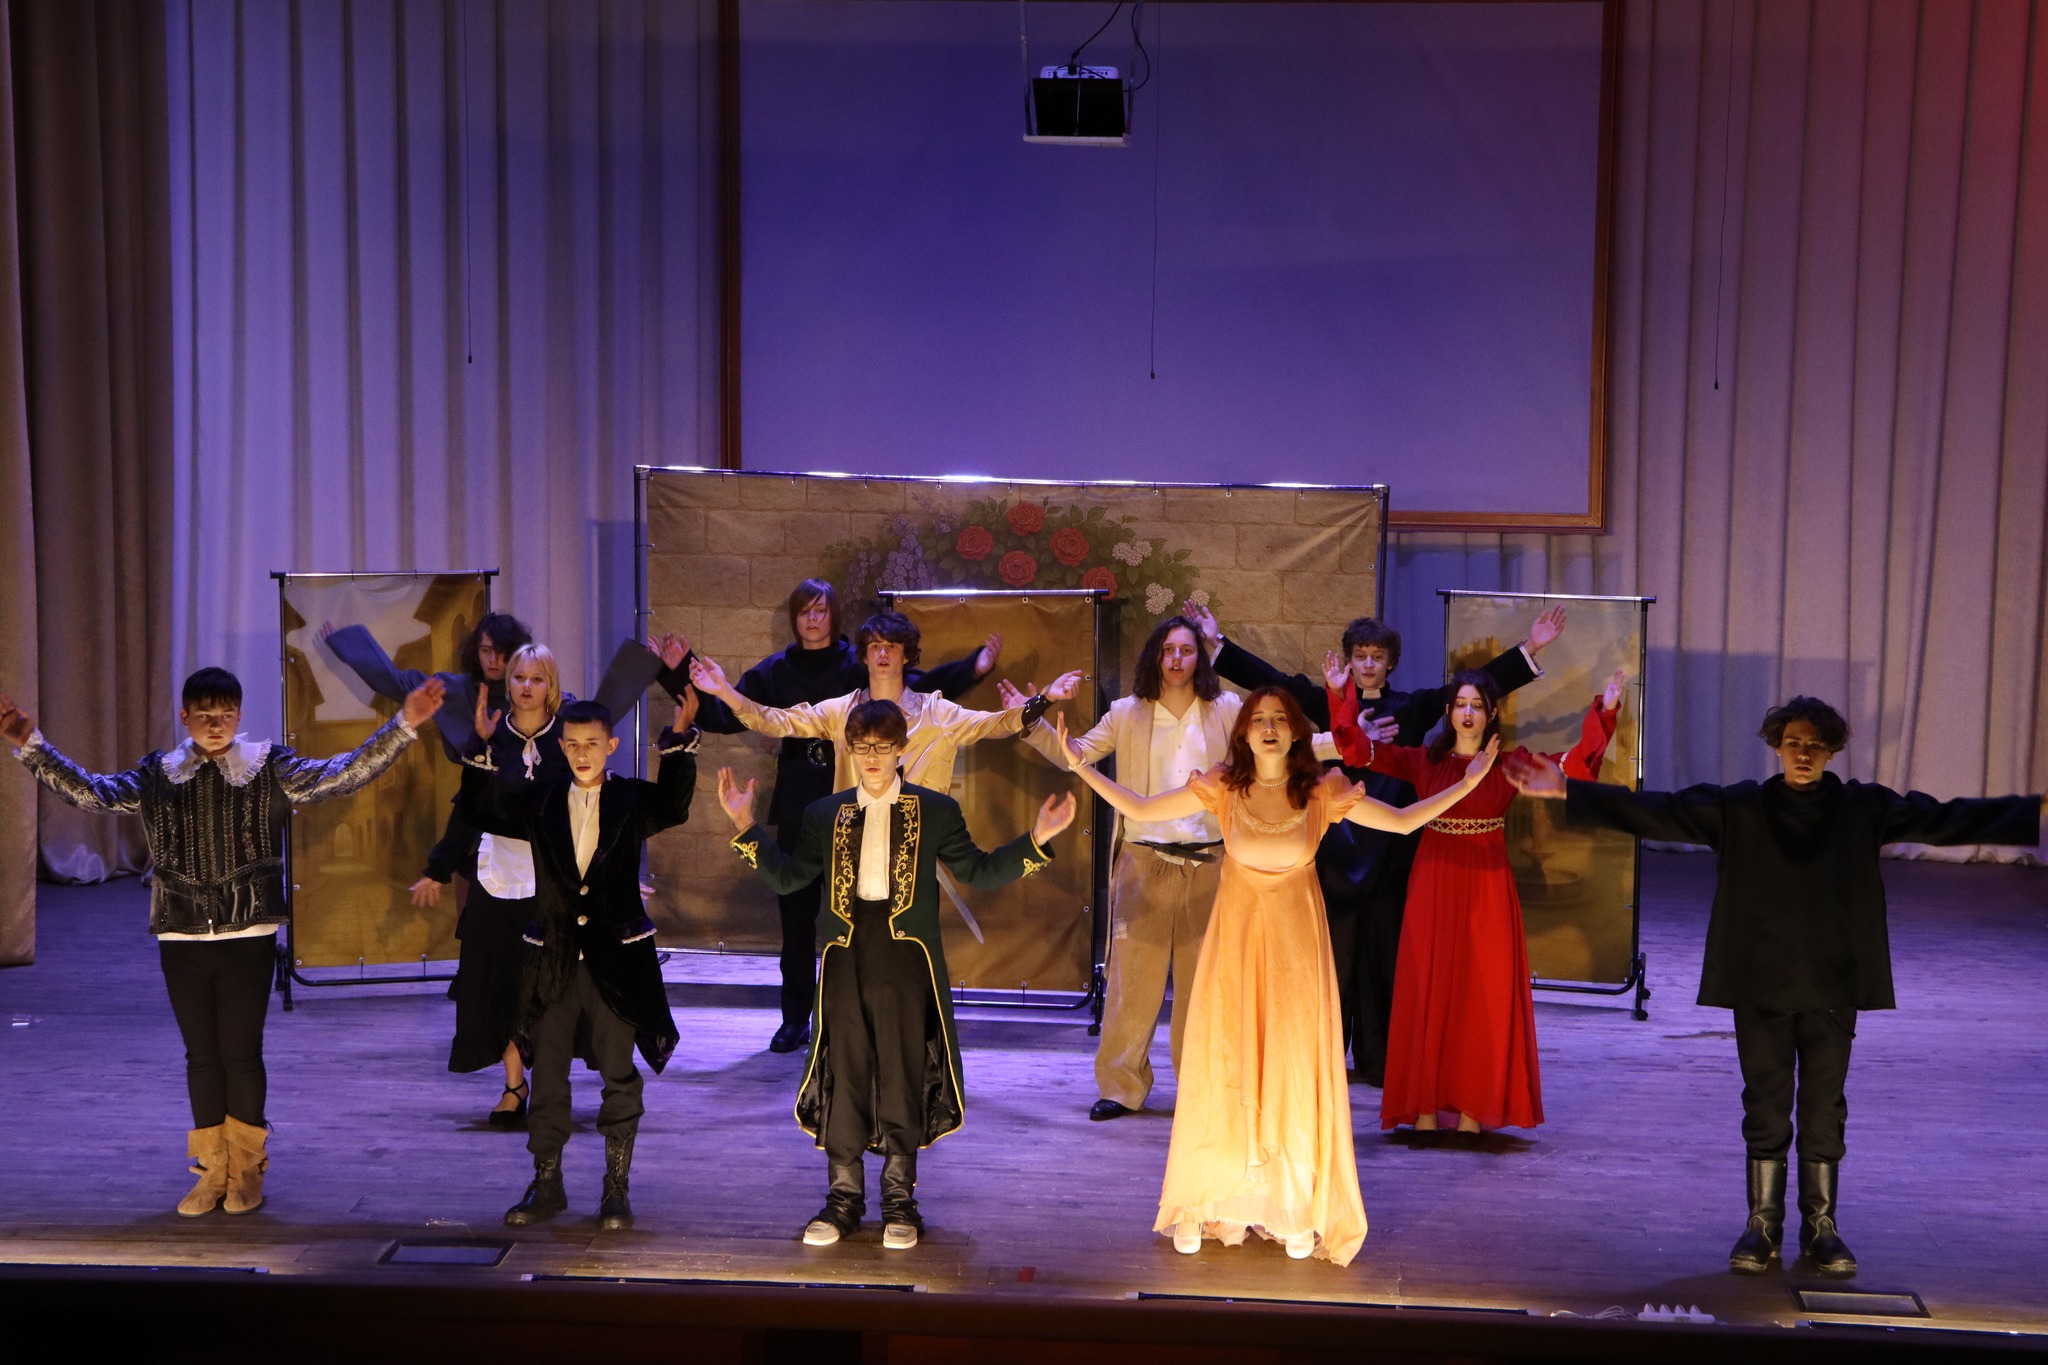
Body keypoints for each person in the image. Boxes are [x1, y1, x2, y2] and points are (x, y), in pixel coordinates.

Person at [1509, 696, 2045, 1278]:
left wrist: (2031, 810)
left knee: (1823, 1107)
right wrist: (1567, 791)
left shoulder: (1862, 807)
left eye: (1815, 745)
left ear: (1832, 750)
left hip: (1832, 983)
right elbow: (1658, 811)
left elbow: (1942, 820)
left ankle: (1822, 1226)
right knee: (1765, 1104)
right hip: (1761, 982)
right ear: (1776, 747)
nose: (1803, 755)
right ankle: (1762, 1224)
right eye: (1793, 744)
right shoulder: (1740, 807)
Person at [1056, 688, 1499, 1265]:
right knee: (1226, 1068)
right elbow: (1140, 809)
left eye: (1279, 719)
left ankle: (1292, 1206)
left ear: (1295, 733)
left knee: (1290, 1074)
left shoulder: (1321, 791)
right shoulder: (1224, 786)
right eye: (1258, 719)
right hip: (1234, 955)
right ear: (1243, 733)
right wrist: (1081, 766)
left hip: (1296, 962)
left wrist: (1467, 784)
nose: (1268, 727)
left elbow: (1402, 822)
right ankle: (1205, 1202)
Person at [2, 668, 444, 1217]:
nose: (216, 725)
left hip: (248, 931)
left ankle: (248, 1169)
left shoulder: (267, 766)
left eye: (226, 714)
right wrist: (32, 745)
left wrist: (403, 726)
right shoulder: (159, 773)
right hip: (181, 931)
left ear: (240, 715)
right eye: (205, 715)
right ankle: (212, 1170)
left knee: (240, 1051)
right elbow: (93, 794)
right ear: (185, 716)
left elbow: (340, 776)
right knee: (201, 1055)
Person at [716, 699, 1075, 1249]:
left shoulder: (935, 810)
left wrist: (1037, 840)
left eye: (883, 747)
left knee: (902, 1069)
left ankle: (900, 1201)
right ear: (849, 749)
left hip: (906, 958)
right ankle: (843, 1199)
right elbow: (789, 879)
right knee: (845, 1067)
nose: (873, 758)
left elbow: (978, 870)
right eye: (863, 747)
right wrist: (745, 825)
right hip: (845, 955)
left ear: (901, 749)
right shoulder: (825, 813)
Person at [1184, 602, 1566, 1086]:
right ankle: (1325, 1058)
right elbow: (1267, 677)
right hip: (1335, 850)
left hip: (1391, 848)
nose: (1367, 664)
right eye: (1360, 655)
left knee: (1386, 958)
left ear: (1390, 663)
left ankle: (1381, 1061)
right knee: (1334, 957)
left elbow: (1472, 689)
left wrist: (1530, 647)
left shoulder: (1412, 706)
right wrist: (1216, 643)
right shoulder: (1319, 700)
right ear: (1347, 660)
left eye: (1377, 657)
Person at [668, 580, 998, 1054]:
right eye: (804, 611)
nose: (813, 618)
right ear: (794, 618)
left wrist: (973, 668)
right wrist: (681, 671)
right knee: (797, 921)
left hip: (860, 808)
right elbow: (733, 713)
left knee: (867, 922)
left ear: (835, 616)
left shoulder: (859, 663)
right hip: (803, 805)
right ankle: (795, 1019)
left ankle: (870, 1022)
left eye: (821, 609)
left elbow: (921, 688)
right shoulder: (775, 670)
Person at [1328, 668, 1620, 1140]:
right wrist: (1340, 694)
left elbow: (1573, 766)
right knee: (1428, 988)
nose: (1467, 713)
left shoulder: (1507, 765)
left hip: (1486, 886)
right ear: (1448, 712)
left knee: (1480, 993)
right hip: (1433, 881)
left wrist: (1604, 712)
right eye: (1460, 704)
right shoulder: (1425, 760)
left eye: (1477, 706)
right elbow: (1358, 751)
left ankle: (1471, 1110)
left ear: (1492, 714)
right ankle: (1423, 1108)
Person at [458, 687, 702, 1230]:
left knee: (618, 1073)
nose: (582, 753)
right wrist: (479, 749)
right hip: (554, 961)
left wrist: (680, 742)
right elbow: (480, 808)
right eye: (571, 744)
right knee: (547, 1077)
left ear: (611, 745)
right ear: (562, 748)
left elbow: (674, 806)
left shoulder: (630, 799)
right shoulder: (542, 800)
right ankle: (547, 1184)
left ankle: (616, 1189)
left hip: (616, 963)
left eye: (592, 743)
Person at [1004, 615, 1246, 1122]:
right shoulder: (1126, 713)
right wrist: (1032, 719)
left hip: (1210, 862)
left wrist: (1344, 742)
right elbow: (1074, 755)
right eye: (1168, 650)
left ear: (1199, 657)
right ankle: (1121, 1086)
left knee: (1204, 986)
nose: (1176, 659)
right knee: (1131, 982)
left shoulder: (1226, 710)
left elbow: (1273, 751)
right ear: (1155, 656)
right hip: (1144, 859)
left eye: (1186, 650)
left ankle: (1202, 1088)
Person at [427, 637, 675, 1126]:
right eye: (519, 677)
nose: (526, 686)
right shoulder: (490, 734)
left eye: (537, 679)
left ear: (551, 686)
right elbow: (470, 809)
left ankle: (557, 1083)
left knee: (549, 988)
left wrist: (617, 875)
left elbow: (602, 810)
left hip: (555, 882)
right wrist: (438, 866)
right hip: (498, 878)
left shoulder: (570, 738)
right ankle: (513, 1084)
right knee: (499, 984)